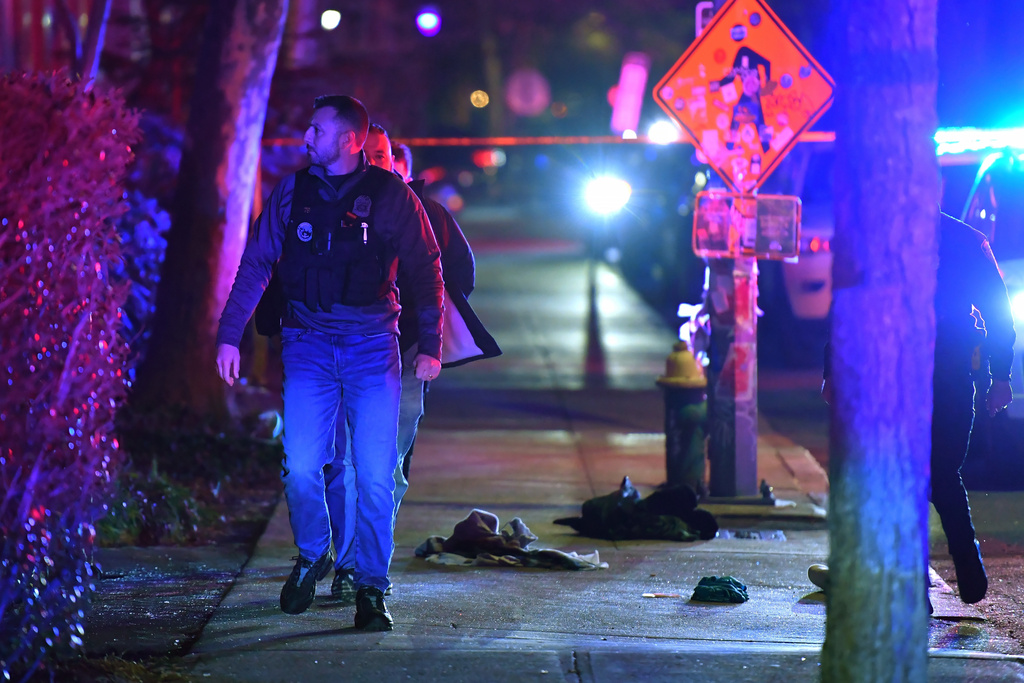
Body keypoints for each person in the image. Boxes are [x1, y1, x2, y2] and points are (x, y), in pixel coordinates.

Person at [214, 95, 444, 630]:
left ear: (348, 140)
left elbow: (425, 267)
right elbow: (256, 263)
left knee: (375, 476)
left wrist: (430, 345)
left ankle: (370, 588)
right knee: (300, 468)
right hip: (308, 346)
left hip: (371, 349)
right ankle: (314, 552)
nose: (305, 138)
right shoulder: (293, 192)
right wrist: (231, 336)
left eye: (316, 130)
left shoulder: (391, 196)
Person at [329, 124, 500, 603]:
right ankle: (349, 564)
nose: (376, 162)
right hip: (339, 354)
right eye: (367, 154)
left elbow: (461, 273)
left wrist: (428, 322)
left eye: (382, 153)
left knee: (384, 465)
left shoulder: (429, 216)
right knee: (342, 462)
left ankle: (365, 564)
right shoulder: (326, 209)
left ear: (397, 161)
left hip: (400, 359)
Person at [818, 212, 1015, 606]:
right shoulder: (968, 240)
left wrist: (835, 369)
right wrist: (1001, 376)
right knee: (942, 473)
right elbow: (998, 313)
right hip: (949, 379)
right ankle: (965, 561)